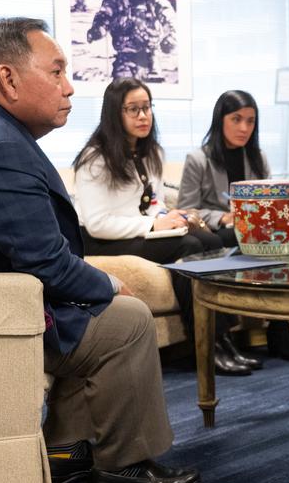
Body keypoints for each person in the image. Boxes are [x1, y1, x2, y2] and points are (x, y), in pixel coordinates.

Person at [0, 17, 199, 483]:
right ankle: (124, 466)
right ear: (8, 79)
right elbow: (49, 263)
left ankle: (65, 451)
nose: (69, 87)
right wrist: (109, 285)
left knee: (92, 310)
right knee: (127, 320)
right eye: (56, 72)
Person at [71, 78, 260, 377]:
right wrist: (154, 224)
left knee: (208, 240)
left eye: (146, 108)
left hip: (141, 230)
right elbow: (97, 224)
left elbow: (152, 202)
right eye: (133, 109)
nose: (143, 116)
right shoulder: (95, 159)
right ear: (114, 113)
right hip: (102, 240)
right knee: (190, 247)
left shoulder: (151, 153)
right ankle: (207, 346)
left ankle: (223, 338)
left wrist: (173, 217)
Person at [178, 89, 289, 362]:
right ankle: (280, 331)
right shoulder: (198, 159)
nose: (244, 128)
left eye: (250, 121)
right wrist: (224, 217)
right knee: (253, 243)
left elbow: (269, 198)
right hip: (219, 232)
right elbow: (187, 209)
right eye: (236, 119)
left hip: (255, 230)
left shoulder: (257, 157)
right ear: (221, 120)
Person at [85, 0, 177, 82]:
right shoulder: (116, 0)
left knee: (151, 87)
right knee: (123, 87)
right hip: (125, 55)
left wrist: (170, 38)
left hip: (150, 57)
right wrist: (98, 29)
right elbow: (105, 15)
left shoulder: (156, 2)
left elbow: (169, 20)